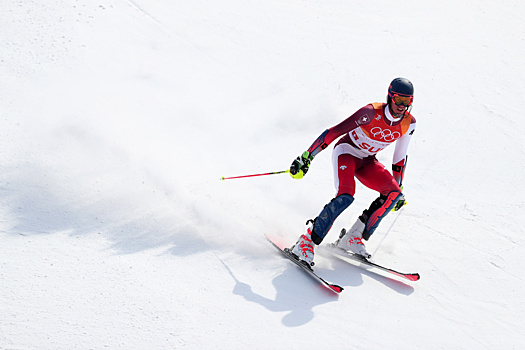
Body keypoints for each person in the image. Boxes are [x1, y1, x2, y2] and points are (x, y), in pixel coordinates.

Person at [289, 77, 416, 266]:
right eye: (399, 100)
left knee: (394, 195)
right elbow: (334, 132)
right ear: (390, 97)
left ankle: (353, 237)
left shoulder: (408, 123)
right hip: (347, 152)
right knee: (346, 196)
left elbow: (399, 159)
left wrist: (398, 185)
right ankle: (306, 241)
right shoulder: (370, 112)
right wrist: (307, 156)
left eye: (407, 101)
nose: (402, 105)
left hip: (368, 161)